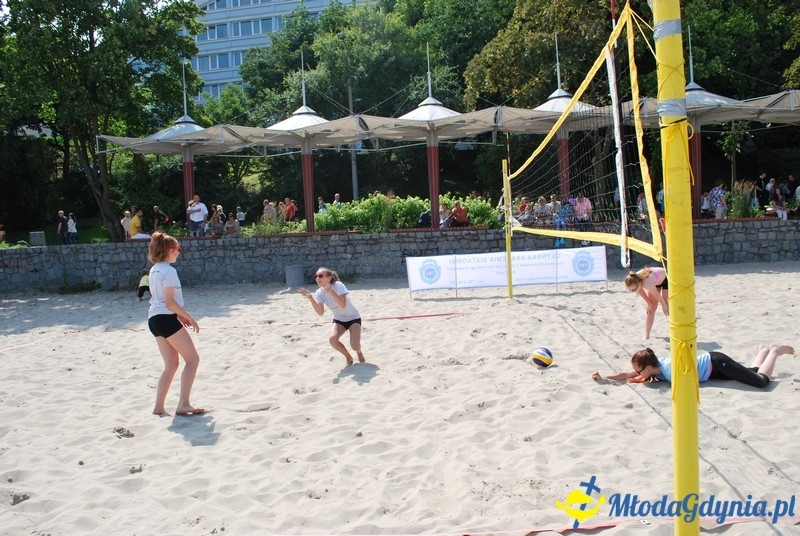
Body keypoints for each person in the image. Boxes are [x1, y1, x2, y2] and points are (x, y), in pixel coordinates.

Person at [147, 233, 203, 416]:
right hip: (165, 318)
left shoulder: (154, 269)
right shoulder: (169, 271)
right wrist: (189, 317)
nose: (179, 252)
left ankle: (158, 407)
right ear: (171, 250)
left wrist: (179, 317)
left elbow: (161, 301)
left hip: (154, 319)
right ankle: (184, 404)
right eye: (178, 249)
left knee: (171, 365)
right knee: (193, 360)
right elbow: (169, 303)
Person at [591, 344, 795, 388]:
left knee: (761, 382)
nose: (636, 373)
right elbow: (625, 373)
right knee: (750, 372)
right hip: (713, 369)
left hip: (716, 363)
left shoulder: (671, 371)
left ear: (649, 367)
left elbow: (689, 385)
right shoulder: (656, 367)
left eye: (639, 370)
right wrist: (604, 378)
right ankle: (762, 351)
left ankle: (774, 351)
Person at [298, 267, 366, 367]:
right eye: (316, 276)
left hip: (353, 318)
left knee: (355, 345)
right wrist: (310, 298)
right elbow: (320, 312)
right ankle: (348, 356)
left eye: (320, 276)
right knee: (332, 340)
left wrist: (331, 292)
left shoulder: (338, 285)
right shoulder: (319, 292)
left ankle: (359, 352)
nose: (317, 278)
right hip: (339, 320)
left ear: (329, 278)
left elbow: (343, 305)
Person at [624, 266, 669, 340]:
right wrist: (649, 303)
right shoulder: (634, 280)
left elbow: (657, 295)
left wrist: (664, 305)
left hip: (664, 277)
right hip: (655, 279)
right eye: (630, 290)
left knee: (666, 303)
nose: (633, 292)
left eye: (633, 290)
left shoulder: (646, 283)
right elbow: (639, 290)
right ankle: (646, 335)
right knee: (650, 309)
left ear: (638, 284)